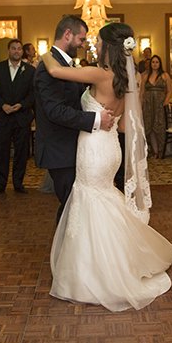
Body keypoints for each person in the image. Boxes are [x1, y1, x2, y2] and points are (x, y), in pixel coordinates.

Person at [41, 22, 172, 311]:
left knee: (91, 199)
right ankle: (113, 262)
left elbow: (55, 71)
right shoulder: (131, 79)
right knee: (103, 198)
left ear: (108, 47)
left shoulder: (100, 74)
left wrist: (46, 53)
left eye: (98, 43)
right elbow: (124, 124)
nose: (94, 46)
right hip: (111, 148)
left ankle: (95, 273)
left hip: (94, 148)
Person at [34, 15, 116, 224]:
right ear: (68, 34)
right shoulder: (48, 67)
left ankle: (72, 251)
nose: (83, 44)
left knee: (76, 207)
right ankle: (67, 251)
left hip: (76, 147)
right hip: (60, 149)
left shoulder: (62, 64)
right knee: (72, 206)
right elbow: (54, 111)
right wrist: (95, 119)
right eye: (81, 39)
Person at [0, 39, 34, 196]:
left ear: (23, 52)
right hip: (2, 116)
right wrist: (3, 105)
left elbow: (33, 94)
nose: (16, 51)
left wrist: (22, 104)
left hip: (22, 117)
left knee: (21, 152)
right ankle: (0, 184)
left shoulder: (29, 70)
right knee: (1, 151)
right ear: (8, 50)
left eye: (19, 49)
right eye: (13, 48)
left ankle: (18, 183)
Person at [140, 54, 171, 159]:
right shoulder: (145, 76)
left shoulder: (165, 75)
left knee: (160, 127)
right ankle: (155, 151)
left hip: (160, 105)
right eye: (153, 62)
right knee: (150, 128)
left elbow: (169, 91)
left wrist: (165, 101)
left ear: (160, 63)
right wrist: (141, 104)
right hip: (148, 105)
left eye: (157, 62)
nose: (155, 64)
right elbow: (142, 92)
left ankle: (162, 151)